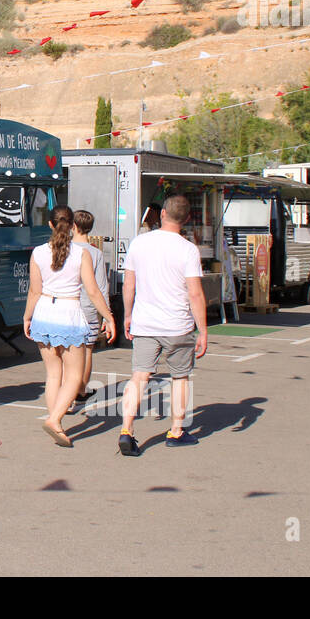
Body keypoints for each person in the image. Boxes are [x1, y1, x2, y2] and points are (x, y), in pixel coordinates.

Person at [118, 195, 207, 456]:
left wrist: (128, 315)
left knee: (139, 376)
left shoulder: (140, 243)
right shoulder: (188, 249)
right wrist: (202, 329)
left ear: (163, 214)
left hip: (145, 322)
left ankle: (126, 430)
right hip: (177, 325)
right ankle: (176, 431)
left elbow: (129, 285)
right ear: (187, 219)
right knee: (180, 376)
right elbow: (195, 294)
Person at [24, 207, 116, 447]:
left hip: (44, 311)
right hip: (69, 311)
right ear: (73, 224)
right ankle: (55, 420)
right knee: (74, 376)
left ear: (51, 225)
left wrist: (27, 317)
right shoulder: (81, 254)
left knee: (53, 374)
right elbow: (93, 291)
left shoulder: (38, 252)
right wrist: (108, 316)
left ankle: (56, 421)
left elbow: (34, 291)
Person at [70, 209, 107, 410]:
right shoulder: (96, 253)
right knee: (87, 350)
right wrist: (106, 315)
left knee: (67, 351)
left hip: (68, 306)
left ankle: (67, 390)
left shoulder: (63, 248)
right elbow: (101, 286)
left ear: (72, 226)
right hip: (89, 307)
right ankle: (82, 391)